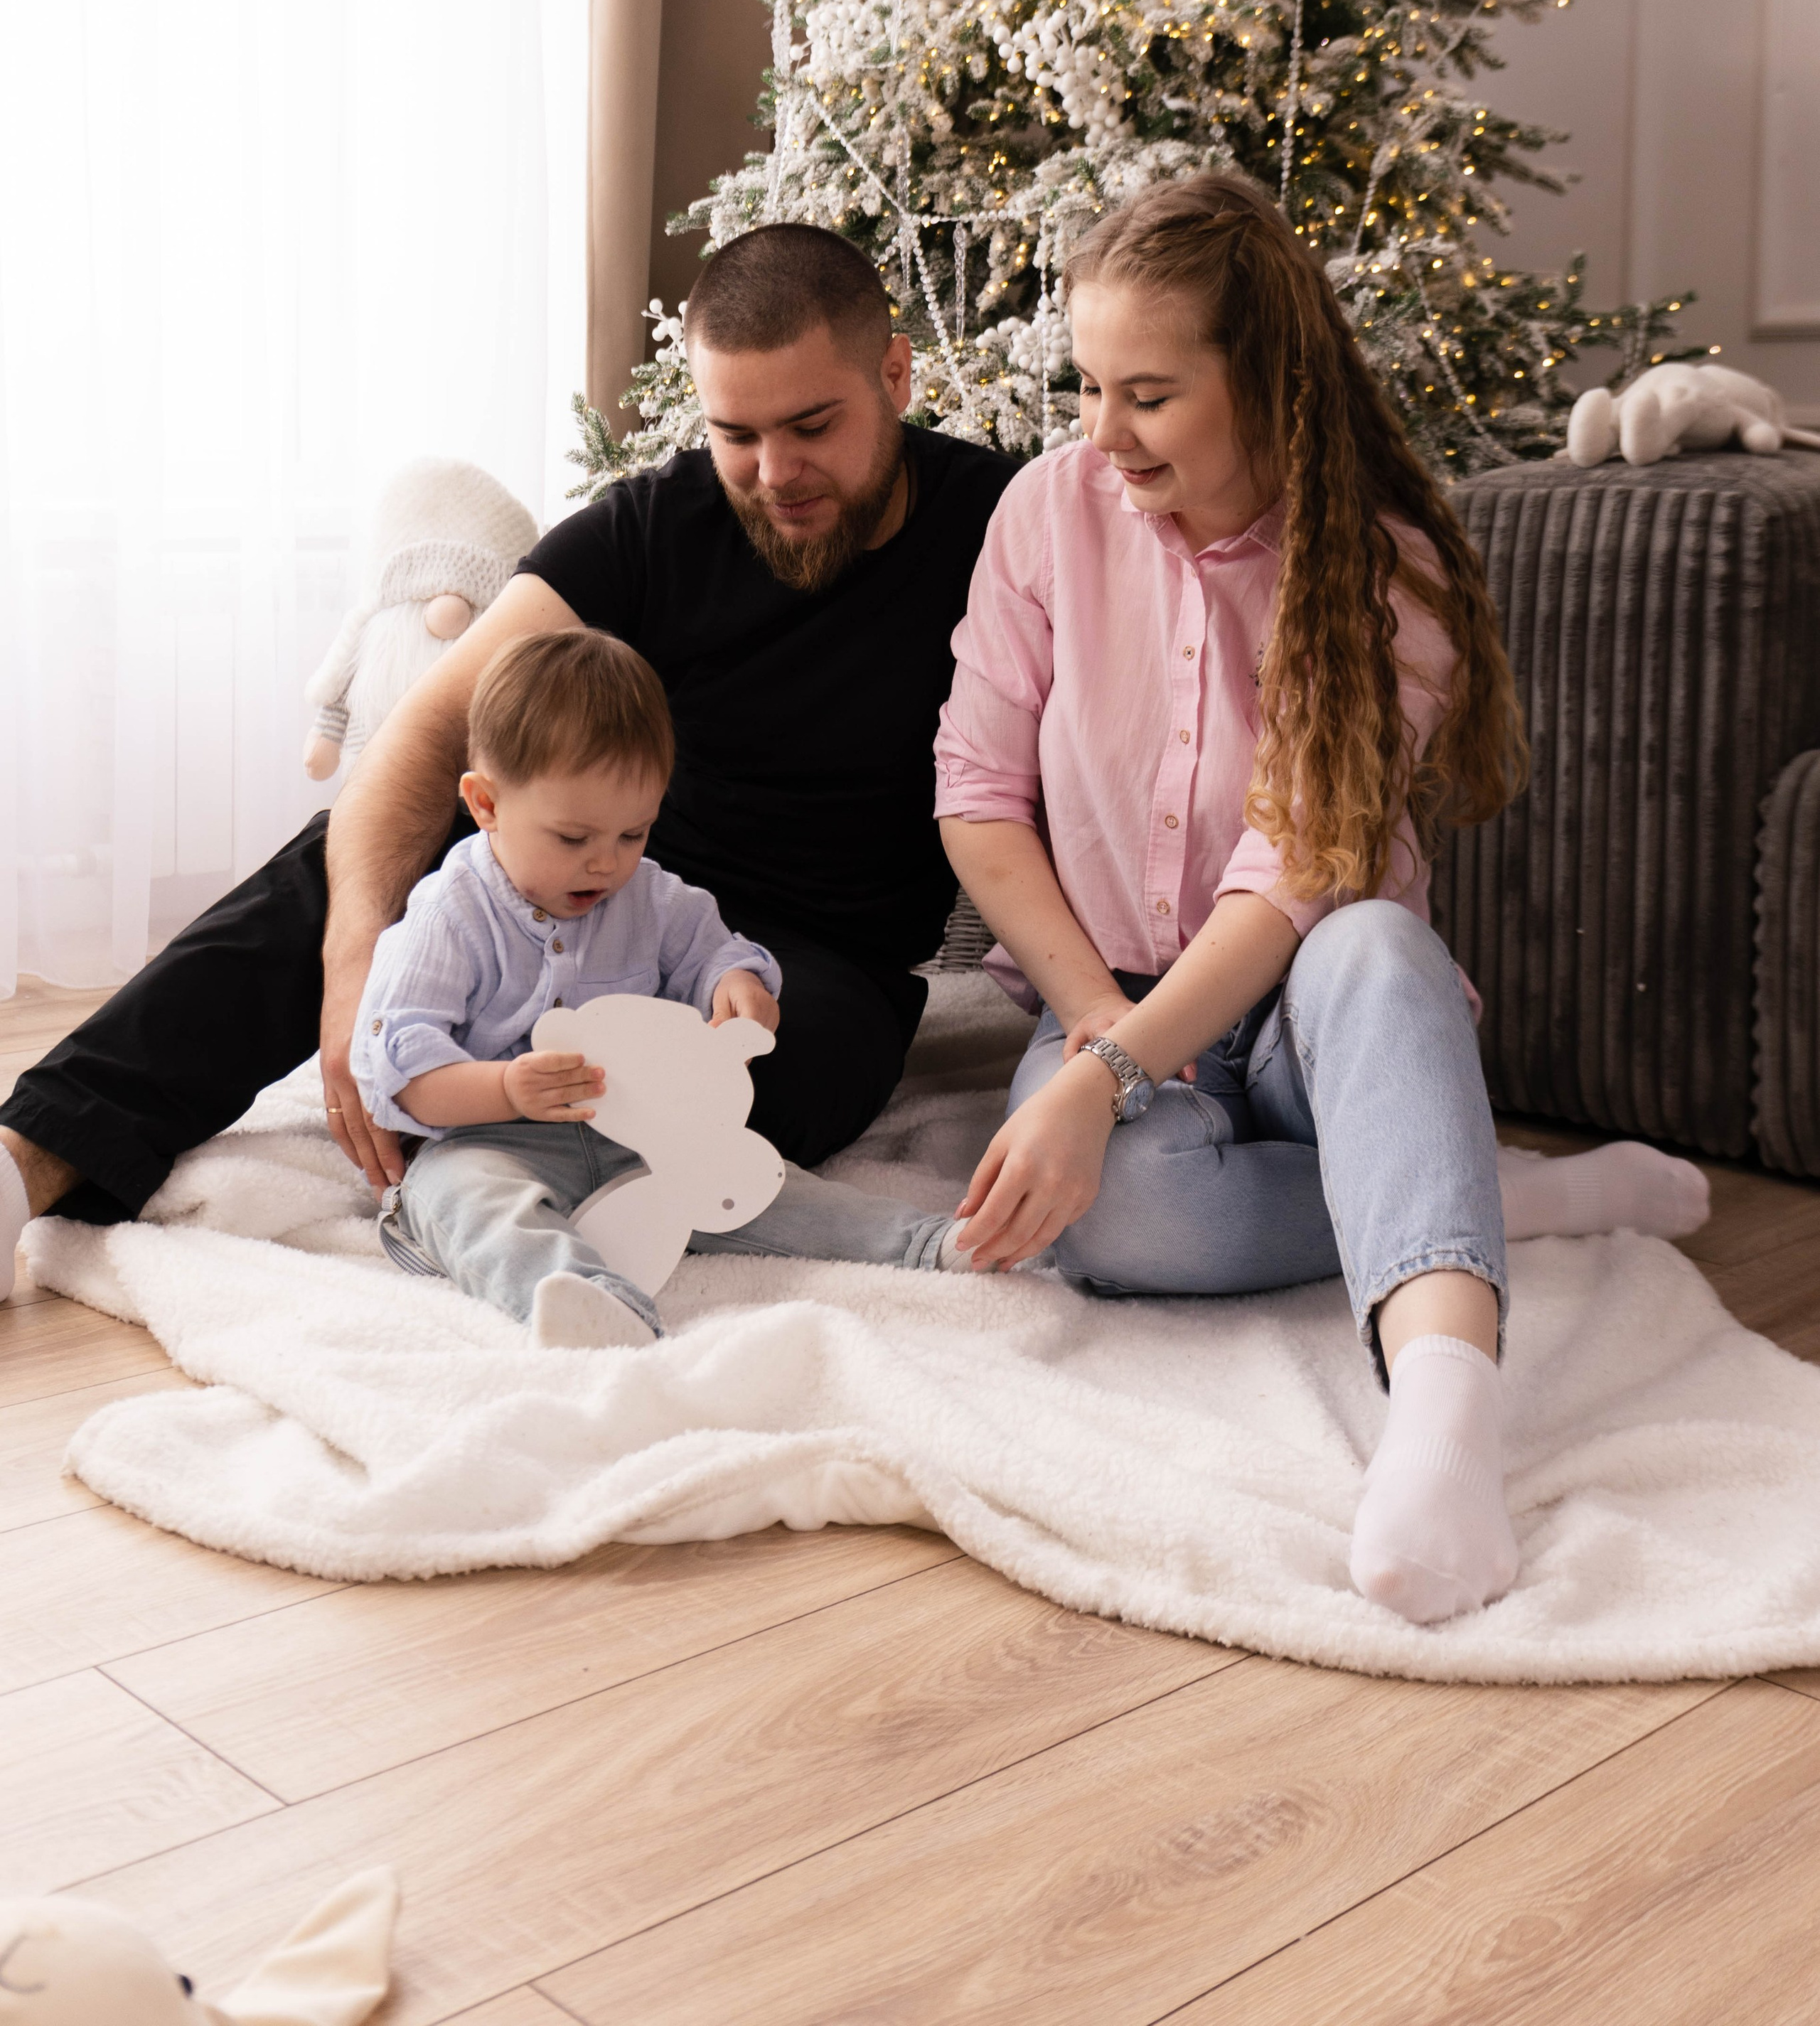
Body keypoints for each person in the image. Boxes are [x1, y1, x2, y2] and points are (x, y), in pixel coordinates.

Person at [933, 171, 1711, 1626]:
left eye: (1147, 396)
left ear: (1268, 388)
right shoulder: (1047, 512)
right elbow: (974, 796)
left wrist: (1098, 1077)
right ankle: (1502, 1199)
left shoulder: (1379, 573)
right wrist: (1100, 1040)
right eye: (1086, 386)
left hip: (1307, 1012)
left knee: (1368, 941)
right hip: (1111, 987)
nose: (1100, 436)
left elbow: (1283, 884)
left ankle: (1441, 1418)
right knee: (1120, 1224)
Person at [0, 226, 1017, 1298]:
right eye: (737, 435)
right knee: (352, 863)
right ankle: (26, 1164)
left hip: (814, 969)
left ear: (896, 375)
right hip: (600, 879)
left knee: (734, 1090)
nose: (775, 474)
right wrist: (359, 968)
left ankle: (485, 1178)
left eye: (813, 426)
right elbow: (432, 732)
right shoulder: (651, 528)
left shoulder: (1003, 527)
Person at [358, 626, 968, 1350]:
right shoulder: (449, 912)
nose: (605, 865)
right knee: (467, 1204)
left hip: (641, 1129)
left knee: (759, 1183)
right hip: (489, 1137)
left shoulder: (650, 896)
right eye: (573, 838)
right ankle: (591, 1302)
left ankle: (928, 1243)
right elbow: (405, 1070)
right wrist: (504, 1091)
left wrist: (737, 988)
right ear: (486, 805)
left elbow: (715, 954)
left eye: (632, 834)